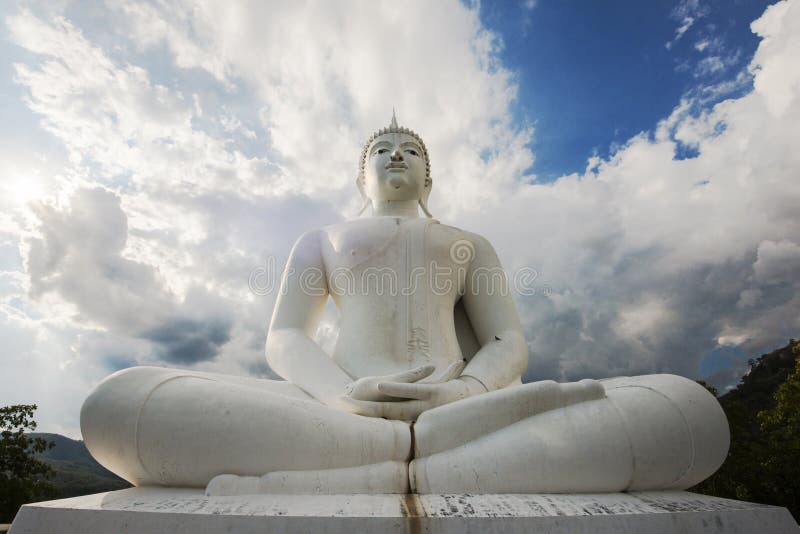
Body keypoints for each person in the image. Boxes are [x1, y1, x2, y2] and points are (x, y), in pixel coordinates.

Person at [81, 114, 729, 495]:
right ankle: (438, 465)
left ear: (429, 175)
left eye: (411, 150)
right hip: (336, 413)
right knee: (116, 406)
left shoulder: (467, 243)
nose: (396, 155)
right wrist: (342, 395)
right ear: (362, 175)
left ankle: (370, 467)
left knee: (690, 412)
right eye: (382, 151)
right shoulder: (323, 239)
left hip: (469, 409)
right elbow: (285, 339)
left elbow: (509, 343)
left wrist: (462, 392)